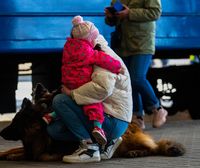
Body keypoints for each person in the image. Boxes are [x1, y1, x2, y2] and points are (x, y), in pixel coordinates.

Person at [46, 28, 133, 163]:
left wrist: (72, 93)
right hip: (110, 116)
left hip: (113, 118)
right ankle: (106, 142)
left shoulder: (102, 56)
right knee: (55, 130)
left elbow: (103, 88)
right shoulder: (93, 50)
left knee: (60, 100)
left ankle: (90, 149)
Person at [43, 15, 123, 146]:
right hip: (81, 83)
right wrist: (118, 67)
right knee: (93, 104)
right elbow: (104, 59)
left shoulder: (68, 48)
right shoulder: (88, 52)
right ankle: (98, 128)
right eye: (93, 38)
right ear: (89, 39)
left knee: (67, 101)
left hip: (68, 82)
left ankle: (51, 115)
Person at [104, 0, 168, 129]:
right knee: (128, 81)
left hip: (142, 43)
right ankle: (137, 117)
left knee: (137, 78)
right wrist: (111, 17)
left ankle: (158, 108)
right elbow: (114, 20)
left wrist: (130, 13)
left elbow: (155, 12)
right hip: (122, 44)